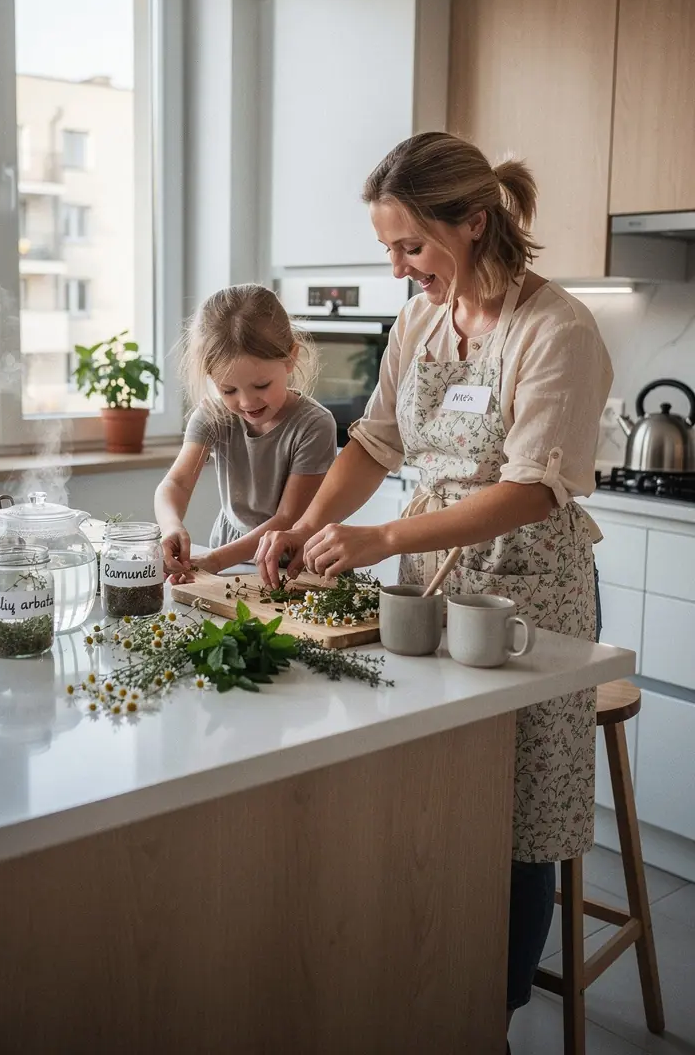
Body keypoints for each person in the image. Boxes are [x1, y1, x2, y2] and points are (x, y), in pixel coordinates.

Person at [256, 132, 613, 1033]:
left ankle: (491, 1016)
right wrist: (303, 526)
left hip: (528, 592)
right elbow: (375, 443)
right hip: (422, 578)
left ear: (474, 222)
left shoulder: (557, 330)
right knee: (429, 783)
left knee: (516, 814)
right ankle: (425, 986)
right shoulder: (421, 321)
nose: (397, 268)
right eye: (388, 248)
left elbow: (529, 490)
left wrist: (381, 536)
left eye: (410, 245)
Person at [155, 283, 337, 581]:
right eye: (228, 390)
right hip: (230, 553)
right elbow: (176, 483)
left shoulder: (313, 425)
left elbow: (288, 518)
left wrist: (215, 559)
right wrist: (171, 526)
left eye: (261, 385)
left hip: (295, 563)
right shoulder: (213, 415)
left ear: (290, 358)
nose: (247, 402)